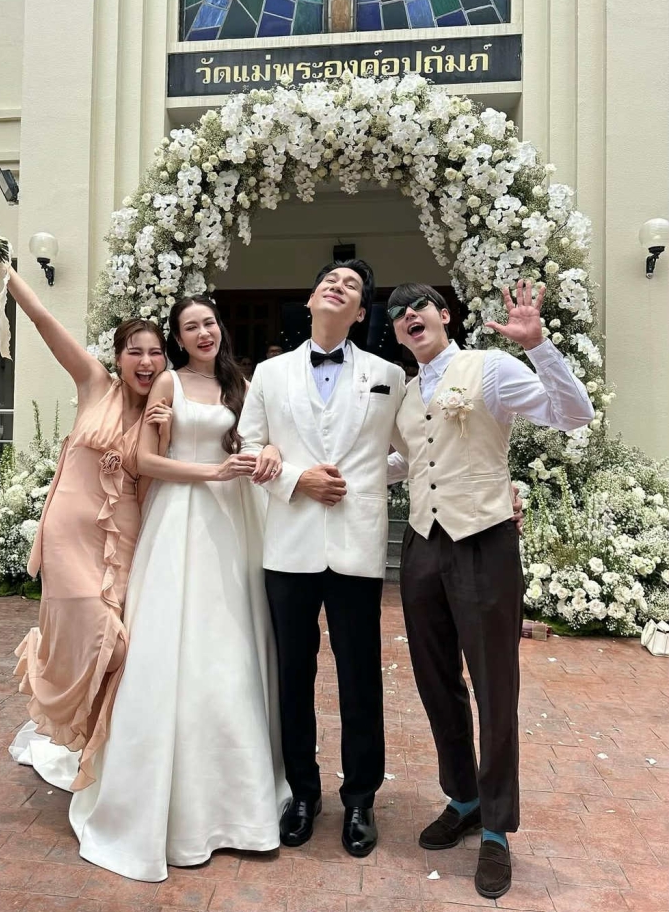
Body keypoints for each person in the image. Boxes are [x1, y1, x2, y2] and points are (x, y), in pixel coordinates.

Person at [68, 296, 289, 882]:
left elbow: (264, 438)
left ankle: (242, 792)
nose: (203, 332)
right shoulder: (168, 382)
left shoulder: (241, 384)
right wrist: (210, 471)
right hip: (182, 515)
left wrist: (265, 452)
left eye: (209, 322)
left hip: (234, 518)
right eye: (190, 327)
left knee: (232, 643)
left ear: (220, 329)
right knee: (175, 639)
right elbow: (144, 460)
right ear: (179, 338)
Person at [386, 281, 594, 899]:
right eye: (397, 313)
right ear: (396, 333)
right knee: (435, 680)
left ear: (443, 315)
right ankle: (465, 798)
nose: (408, 316)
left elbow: (573, 415)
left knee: (494, 685)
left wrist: (539, 346)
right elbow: (407, 462)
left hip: (483, 539)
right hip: (423, 544)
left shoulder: (491, 368)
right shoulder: (405, 394)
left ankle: (498, 828)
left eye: (419, 306)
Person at [0, 226, 171, 793]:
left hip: (123, 538)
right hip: (68, 535)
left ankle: (99, 756)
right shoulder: (94, 385)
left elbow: (159, 483)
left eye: (155, 352)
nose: (145, 361)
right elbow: (43, 320)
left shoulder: (163, 413)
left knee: (119, 645)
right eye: (135, 351)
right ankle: (59, 698)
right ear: (118, 358)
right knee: (100, 638)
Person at [238, 260, 405, 858]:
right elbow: (249, 444)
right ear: (311, 299)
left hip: (357, 545)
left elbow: (414, 450)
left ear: (360, 313)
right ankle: (302, 792)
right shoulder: (269, 373)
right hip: (289, 545)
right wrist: (295, 479)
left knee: (360, 675)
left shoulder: (389, 375)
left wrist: (364, 480)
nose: (338, 287)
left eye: (352, 286)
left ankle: (360, 798)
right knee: (293, 674)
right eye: (329, 281)